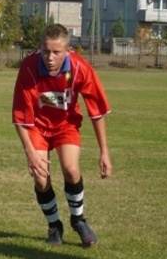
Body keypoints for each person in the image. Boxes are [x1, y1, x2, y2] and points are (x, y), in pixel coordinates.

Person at [12, 23, 111, 247]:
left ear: (68, 50)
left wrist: (104, 152)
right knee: (40, 177)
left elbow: (97, 113)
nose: (50, 57)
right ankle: (54, 225)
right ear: (40, 48)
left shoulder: (80, 68)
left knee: (71, 169)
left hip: (66, 125)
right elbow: (20, 115)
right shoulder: (29, 68)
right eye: (46, 51)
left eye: (56, 52)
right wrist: (30, 153)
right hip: (36, 127)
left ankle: (79, 220)